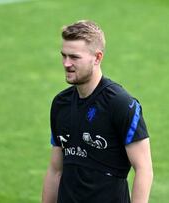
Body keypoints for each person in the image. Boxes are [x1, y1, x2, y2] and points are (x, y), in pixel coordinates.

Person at [42, 20, 153, 203]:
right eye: (64, 56)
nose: (66, 63)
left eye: (74, 57)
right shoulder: (61, 104)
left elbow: (144, 169)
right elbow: (55, 170)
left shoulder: (120, 104)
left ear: (97, 57)